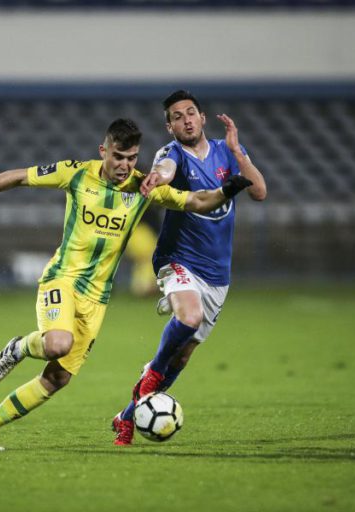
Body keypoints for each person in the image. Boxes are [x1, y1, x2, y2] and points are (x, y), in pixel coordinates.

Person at [0, 118, 254, 450]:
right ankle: (19, 348)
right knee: (57, 343)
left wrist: (225, 191)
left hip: (97, 298)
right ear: (104, 151)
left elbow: (196, 202)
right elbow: (18, 177)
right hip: (63, 279)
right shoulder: (76, 173)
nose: (124, 166)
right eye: (118, 157)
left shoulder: (144, 187)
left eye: (131, 158)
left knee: (58, 378)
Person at [111, 90, 267, 445]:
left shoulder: (227, 151)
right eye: (177, 116)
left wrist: (237, 147)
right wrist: (156, 178)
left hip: (217, 273)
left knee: (181, 357)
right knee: (189, 317)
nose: (186, 120)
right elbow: (163, 171)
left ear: (202, 116)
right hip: (176, 259)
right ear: (169, 126)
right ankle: (149, 377)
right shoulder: (171, 153)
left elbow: (259, 191)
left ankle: (128, 415)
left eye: (190, 113)